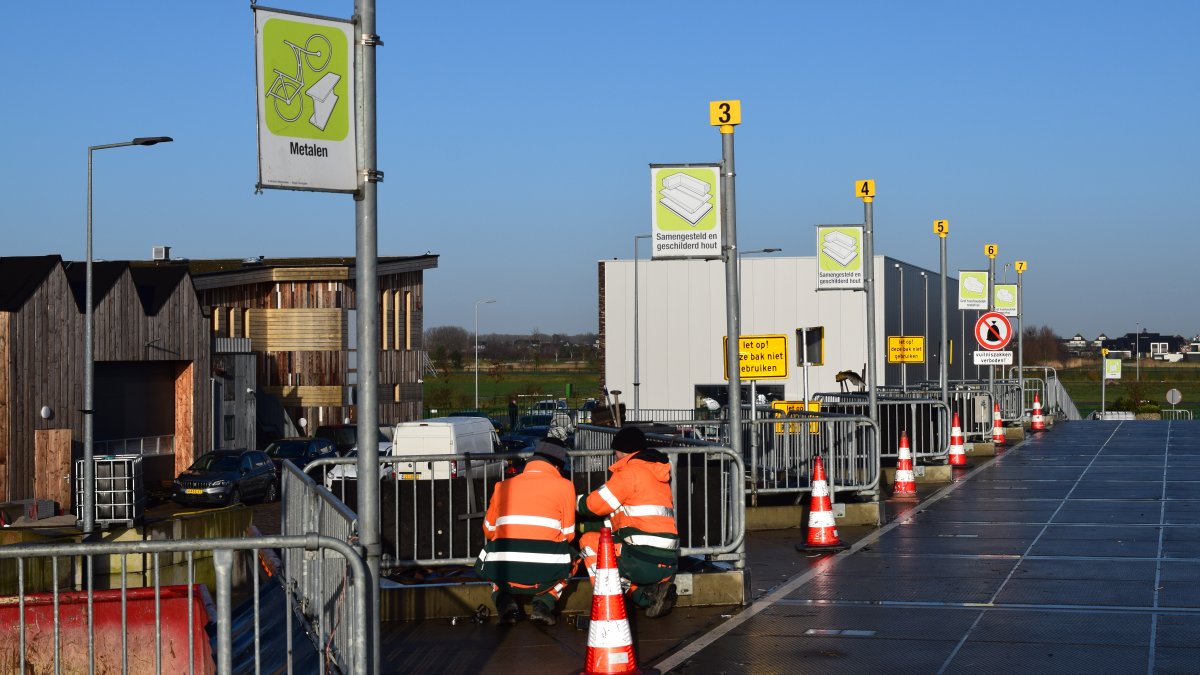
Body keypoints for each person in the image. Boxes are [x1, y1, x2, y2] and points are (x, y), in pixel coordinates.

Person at [577, 426, 678, 618]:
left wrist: (571, 502)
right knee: (614, 549)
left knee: (589, 542)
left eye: (615, 450)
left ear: (622, 450)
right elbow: (621, 521)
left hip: (643, 560)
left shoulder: (628, 473)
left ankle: (610, 601)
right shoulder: (656, 474)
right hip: (667, 562)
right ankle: (649, 596)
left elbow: (593, 506)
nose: (614, 455)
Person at [475, 439, 577, 626]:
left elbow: (488, 530)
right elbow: (568, 534)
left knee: (492, 558)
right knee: (574, 558)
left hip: (506, 568)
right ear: (556, 465)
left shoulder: (503, 487)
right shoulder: (565, 487)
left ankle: (505, 602)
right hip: (545, 569)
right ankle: (544, 603)